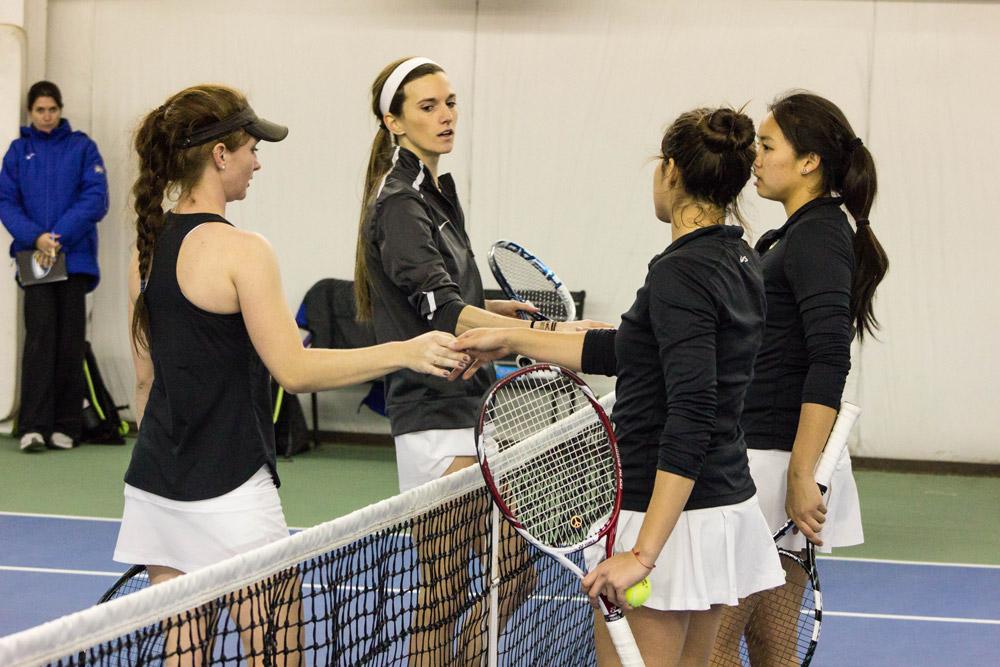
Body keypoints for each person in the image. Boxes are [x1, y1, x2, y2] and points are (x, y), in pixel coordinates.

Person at [112, 84, 468, 666]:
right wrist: (404, 351)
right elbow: (295, 371)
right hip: (232, 490)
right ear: (218, 155)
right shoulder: (243, 251)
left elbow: (146, 384)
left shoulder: (144, 253)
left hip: (154, 485)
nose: (257, 160)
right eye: (250, 147)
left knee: (184, 651)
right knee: (282, 653)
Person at [453, 107, 786, 666]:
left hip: (665, 513)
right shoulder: (737, 257)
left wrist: (644, 554)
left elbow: (692, 409)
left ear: (671, 170)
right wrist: (513, 339)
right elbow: (629, 351)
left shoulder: (681, 271)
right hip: (715, 507)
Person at [354, 56, 607, 665]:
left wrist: (497, 309)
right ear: (393, 121)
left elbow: (446, 296)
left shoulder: (434, 193)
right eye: (427, 106)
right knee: (443, 596)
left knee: (512, 571)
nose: (446, 117)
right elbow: (442, 314)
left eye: (450, 103)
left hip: (470, 408)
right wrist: (552, 331)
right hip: (433, 415)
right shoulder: (399, 205)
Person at [715, 91, 889, 663]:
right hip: (770, 457)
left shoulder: (817, 233)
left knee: (709, 646)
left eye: (767, 147)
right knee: (769, 644)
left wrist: (800, 473)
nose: (755, 160)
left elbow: (830, 358)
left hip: (770, 465)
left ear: (809, 161)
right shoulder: (804, 232)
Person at [0, 80, 109, 452]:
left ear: (60, 110)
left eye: (52, 109)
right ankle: (33, 427)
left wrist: (58, 235)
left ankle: (66, 426)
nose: (46, 116)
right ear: (30, 113)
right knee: (40, 340)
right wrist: (37, 238)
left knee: (69, 342)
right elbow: (6, 202)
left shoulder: (82, 148)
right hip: (36, 257)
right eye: (39, 110)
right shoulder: (17, 152)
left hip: (73, 258)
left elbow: (95, 198)